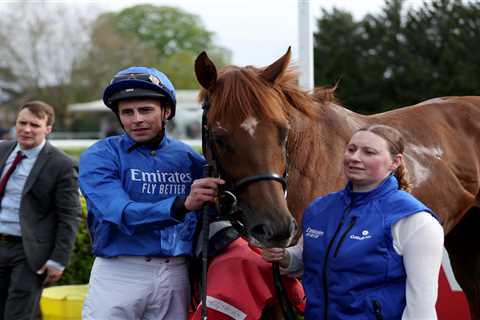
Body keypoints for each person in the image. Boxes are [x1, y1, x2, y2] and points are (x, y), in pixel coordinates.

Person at [79, 66, 224, 320]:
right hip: (120, 272)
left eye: (146, 110)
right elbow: (120, 213)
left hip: (176, 273)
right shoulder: (100, 155)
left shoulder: (190, 158)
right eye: (127, 112)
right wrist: (183, 204)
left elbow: (214, 213)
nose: (136, 119)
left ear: (166, 111)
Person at [262, 124, 444, 320]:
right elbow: (306, 259)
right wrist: (285, 257)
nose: (355, 157)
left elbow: (421, 308)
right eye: (351, 149)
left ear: (395, 162)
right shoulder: (320, 208)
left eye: (369, 152)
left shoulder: (415, 220)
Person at [0, 101, 82, 320]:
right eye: (22, 123)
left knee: (18, 315)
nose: (27, 129)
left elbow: (70, 215)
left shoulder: (61, 164)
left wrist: (59, 259)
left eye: (35, 125)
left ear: (48, 129)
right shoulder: (2, 150)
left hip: (29, 253)